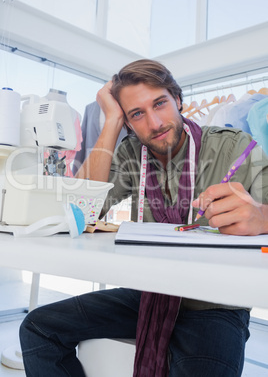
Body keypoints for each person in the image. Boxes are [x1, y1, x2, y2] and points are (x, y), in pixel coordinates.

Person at [20, 59, 268, 377]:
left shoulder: (233, 147)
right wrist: (110, 121)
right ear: (128, 122)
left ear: (177, 100)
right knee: (38, 329)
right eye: (136, 114)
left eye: (160, 104)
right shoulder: (130, 153)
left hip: (213, 303)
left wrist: (261, 217)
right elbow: (80, 207)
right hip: (151, 292)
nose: (154, 123)